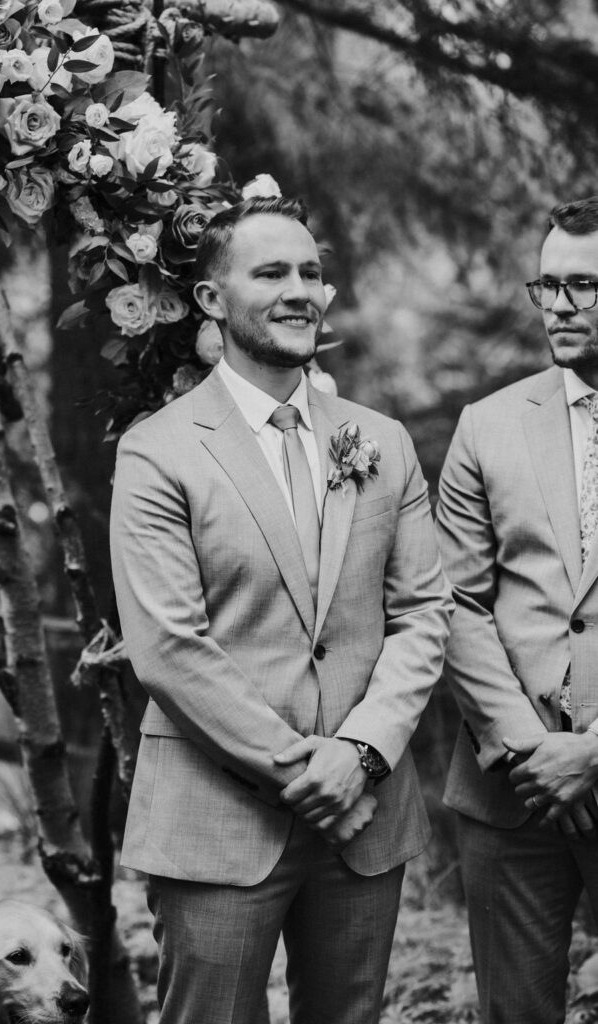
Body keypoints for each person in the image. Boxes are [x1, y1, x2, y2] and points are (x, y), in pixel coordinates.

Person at [110, 195, 452, 1024]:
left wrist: (361, 754)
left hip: (363, 818)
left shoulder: (381, 439)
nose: (300, 289)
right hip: (216, 814)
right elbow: (169, 649)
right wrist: (310, 771)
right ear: (211, 301)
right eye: (271, 272)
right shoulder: (158, 450)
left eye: (311, 272)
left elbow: (423, 615)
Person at [436, 196, 598, 1024]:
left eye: (585, 285)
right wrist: (534, 751)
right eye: (549, 285)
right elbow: (455, 603)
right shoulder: (487, 425)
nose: (561, 306)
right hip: (514, 792)